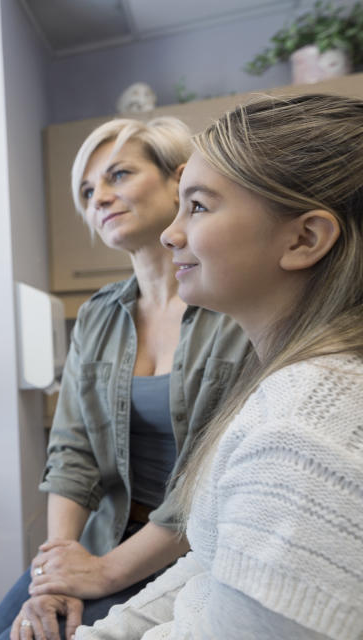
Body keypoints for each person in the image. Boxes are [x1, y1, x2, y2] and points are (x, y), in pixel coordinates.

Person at [76, 93, 363, 639]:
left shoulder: (299, 436)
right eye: (88, 190)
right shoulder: (281, 387)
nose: (170, 234)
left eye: (199, 206)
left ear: (304, 238)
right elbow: (211, 560)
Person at [0, 117, 251, 640]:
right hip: (101, 538)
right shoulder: (98, 315)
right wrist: (59, 566)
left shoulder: (236, 307)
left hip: (190, 553)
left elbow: (216, 478)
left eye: (118, 175)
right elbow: (73, 447)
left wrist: (106, 572)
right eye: (86, 190)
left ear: (180, 179)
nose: (98, 197)